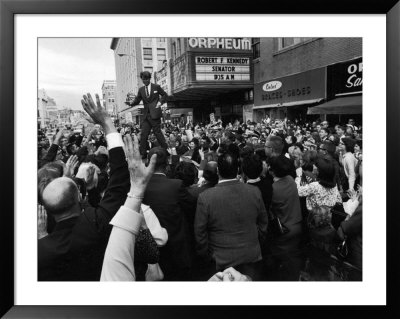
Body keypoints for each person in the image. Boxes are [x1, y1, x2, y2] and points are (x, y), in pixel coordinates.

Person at [38, 93, 129, 281]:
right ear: (79, 197)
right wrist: (107, 123)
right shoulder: (96, 224)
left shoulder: (41, 249)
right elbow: (120, 179)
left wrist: (43, 241)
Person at [194, 151, 269, 280]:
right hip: (249, 255)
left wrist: (208, 255)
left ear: (218, 171)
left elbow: (200, 232)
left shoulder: (206, 197)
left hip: (221, 259)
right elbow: (263, 223)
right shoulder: (254, 191)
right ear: (238, 169)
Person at [142, 146, 195, 281]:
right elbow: (193, 208)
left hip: (149, 251)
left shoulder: (140, 187)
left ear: (148, 163)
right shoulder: (176, 185)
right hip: (175, 250)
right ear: (167, 164)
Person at [268, 155, 303, 280]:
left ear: (271, 170)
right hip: (297, 226)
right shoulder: (290, 180)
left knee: (282, 267)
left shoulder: (273, 189)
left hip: (283, 231)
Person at [128, 71, 169, 159]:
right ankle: (143, 153)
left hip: (155, 114)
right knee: (143, 135)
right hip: (146, 115)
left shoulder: (156, 87)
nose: (145, 81)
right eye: (143, 80)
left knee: (157, 133)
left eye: (146, 79)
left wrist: (160, 102)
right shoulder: (141, 89)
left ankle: (165, 149)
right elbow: (137, 100)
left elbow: (165, 95)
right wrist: (131, 103)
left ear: (149, 78)